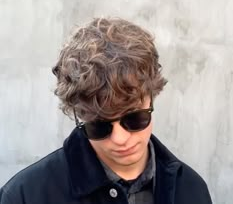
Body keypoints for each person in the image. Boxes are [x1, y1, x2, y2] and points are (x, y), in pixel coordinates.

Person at [0, 17, 212, 204]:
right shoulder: (25, 196)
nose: (120, 139)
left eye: (134, 119)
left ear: (151, 100)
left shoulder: (191, 190)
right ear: (80, 116)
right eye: (99, 126)